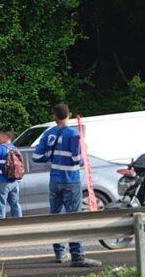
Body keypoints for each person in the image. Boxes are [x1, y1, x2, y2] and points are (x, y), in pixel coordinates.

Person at [32, 104, 101, 267]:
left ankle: (60, 252)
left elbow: (36, 156)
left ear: (54, 116)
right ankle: (77, 256)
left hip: (55, 179)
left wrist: (51, 156)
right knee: (73, 217)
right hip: (71, 180)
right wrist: (84, 150)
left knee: (55, 216)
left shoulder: (48, 133)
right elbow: (78, 160)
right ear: (68, 115)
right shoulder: (74, 134)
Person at [0, 130, 24, 219]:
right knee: (15, 204)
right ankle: (20, 222)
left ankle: (0, 224)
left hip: (1, 181)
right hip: (14, 181)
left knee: (0, 205)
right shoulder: (15, 149)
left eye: (0, 136)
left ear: (5, 137)